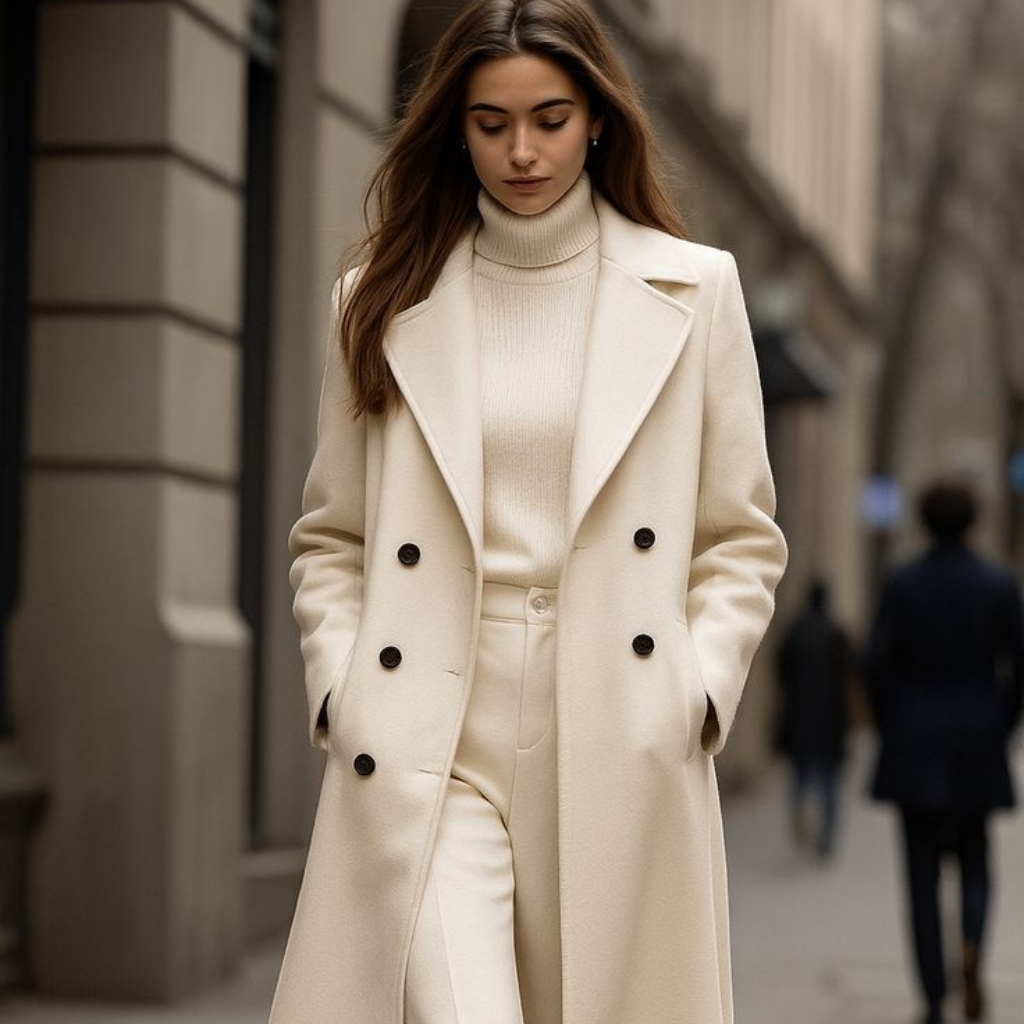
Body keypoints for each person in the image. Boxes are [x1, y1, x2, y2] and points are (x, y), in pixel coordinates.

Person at [269, 1, 787, 1021]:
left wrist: (692, 689)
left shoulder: (694, 291)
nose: (520, 151)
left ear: (597, 117)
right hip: (428, 722)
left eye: (548, 119)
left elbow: (739, 537)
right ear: (453, 127)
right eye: (490, 122)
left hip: (616, 713)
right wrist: (342, 688)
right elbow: (332, 536)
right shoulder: (376, 297)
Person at [866, 479, 1023, 1024]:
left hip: (915, 743)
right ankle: (972, 948)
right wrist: (1001, 722)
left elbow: (878, 664)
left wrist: (894, 725)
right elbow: (1019, 666)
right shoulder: (998, 584)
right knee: (977, 862)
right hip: (977, 739)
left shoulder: (904, 583)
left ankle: (933, 997)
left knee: (921, 878)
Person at [775, 578, 851, 859]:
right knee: (828, 782)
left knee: (800, 779)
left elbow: (780, 671)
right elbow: (849, 674)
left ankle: (800, 831)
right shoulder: (836, 634)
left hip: (799, 717)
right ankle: (826, 838)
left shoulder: (796, 633)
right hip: (831, 720)